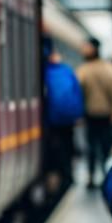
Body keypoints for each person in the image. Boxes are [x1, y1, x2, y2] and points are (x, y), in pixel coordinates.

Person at [76, 37, 112, 188]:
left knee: (91, 146)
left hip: (90, 114)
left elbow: (77, 92)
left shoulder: (83, 70)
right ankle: (107, 174)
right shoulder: (111, 69)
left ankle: (91, 176)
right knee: (106, 146)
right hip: (108, 115)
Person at [42, 37, 83, 192]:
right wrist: (78, 114)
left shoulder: (45, 72)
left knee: (55, 148)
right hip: (68, 119)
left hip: (52, 119)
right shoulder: (67, 70)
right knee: (68, 146)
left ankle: (57, 177)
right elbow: (77, 93)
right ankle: (68, 176)